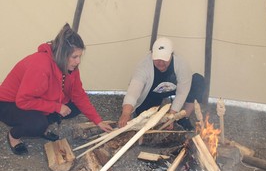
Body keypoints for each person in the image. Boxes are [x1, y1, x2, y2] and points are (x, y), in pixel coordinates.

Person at [0, 23, 112, 155]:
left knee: (75, 106)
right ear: (62, 54)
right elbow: (23, 101)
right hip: (9, 104)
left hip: (36, 99)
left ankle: (42, 126)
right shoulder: (40, 66)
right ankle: (14, 136)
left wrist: (98, 121)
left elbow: (79, 95)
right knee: (37, 124)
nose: (78, 61)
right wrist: (56, 107)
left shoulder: (70, 67)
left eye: (80, 56)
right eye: (74, 57)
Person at [118, 37, 205, 131]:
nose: (160, 63)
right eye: (157, 59)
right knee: (145, 120)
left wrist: (171, 116)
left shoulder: (181, 64)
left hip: (173, 89)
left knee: (198, 80)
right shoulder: (143, 66)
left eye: (164, 59)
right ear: (152, 55)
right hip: (152, 94)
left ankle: (183, 119)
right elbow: (133, 92)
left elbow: (182, 93)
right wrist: (126, 113)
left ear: (171, 55)